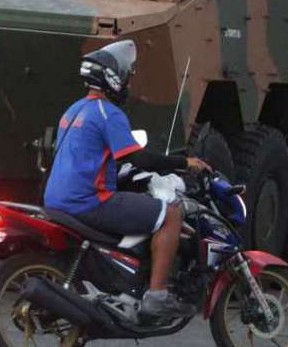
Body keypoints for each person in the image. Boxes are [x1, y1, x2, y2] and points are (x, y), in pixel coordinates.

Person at [43, 40, 211, 319]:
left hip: (56, 199)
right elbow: (139, 158)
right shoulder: (108, 114)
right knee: (170, 215)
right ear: (114, 78)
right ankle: (157, 296)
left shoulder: (74, 110)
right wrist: (185, 162)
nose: (128, 82)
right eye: (127, 75)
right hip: (89, 201)